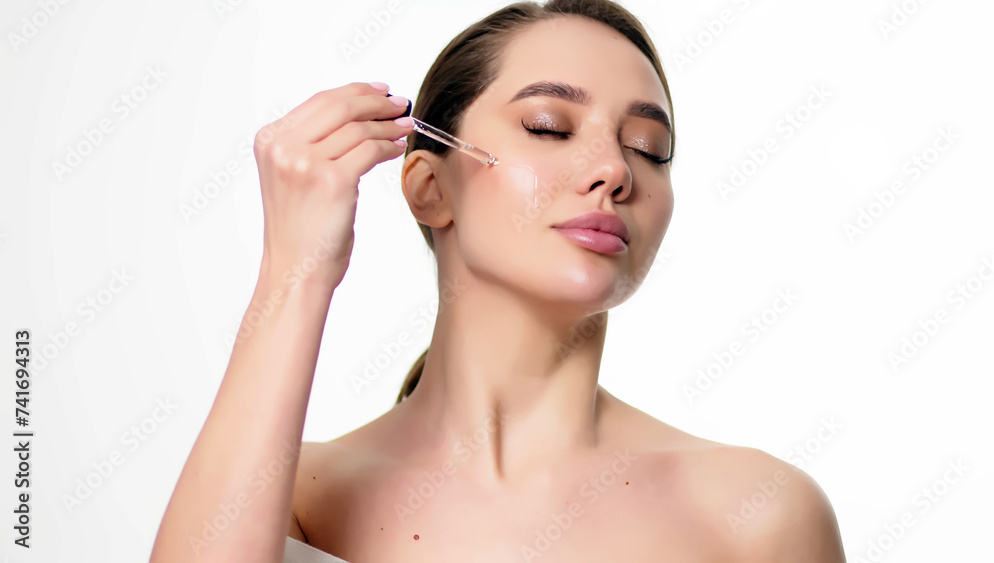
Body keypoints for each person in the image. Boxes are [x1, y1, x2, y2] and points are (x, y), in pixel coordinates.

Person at [151, 1, 848, 561]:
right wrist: (296, 269)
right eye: (549, 127)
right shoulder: (295, 497)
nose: (615, 170)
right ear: (430, 187)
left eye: (649, 148)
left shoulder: (758, 513)